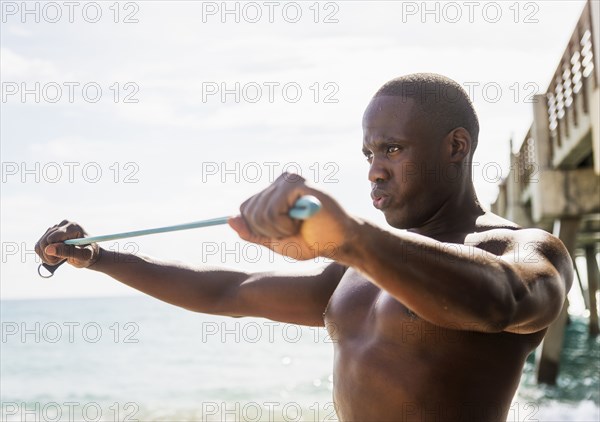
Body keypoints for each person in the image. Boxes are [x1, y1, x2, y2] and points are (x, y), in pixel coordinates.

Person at [36, 73, 573, 421]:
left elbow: (502, 301)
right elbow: (230, 291)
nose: (375, 170)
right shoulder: (360, 268)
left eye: (392, 149)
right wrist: (99, 258)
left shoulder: (525, 248)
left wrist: (354, 238)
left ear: (456, 147)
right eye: (367, 153)